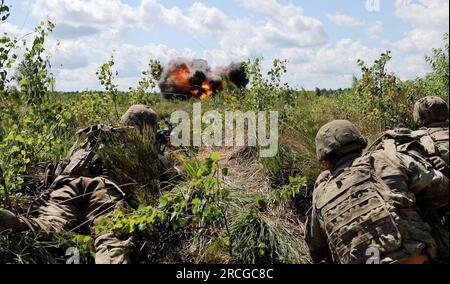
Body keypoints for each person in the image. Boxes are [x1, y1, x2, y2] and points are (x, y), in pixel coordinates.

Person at [0, 105, 179, 264]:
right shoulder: (142, 149)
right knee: (110, 241)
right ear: (148, 129)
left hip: (67, 187)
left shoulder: (94, 140)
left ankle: (10, 222)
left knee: (45, 225)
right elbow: (176, 180)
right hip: (103, 191)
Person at [305, 120, 448, 264]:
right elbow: (441, 187)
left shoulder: (320, 194)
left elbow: (317, 252)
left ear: (325, 158)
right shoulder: (387, 158)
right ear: (359, 144)